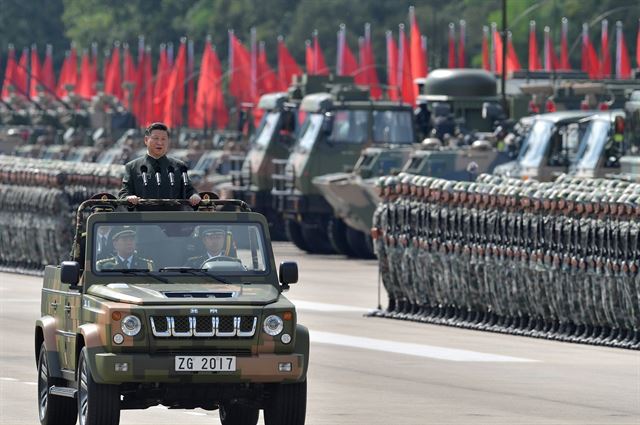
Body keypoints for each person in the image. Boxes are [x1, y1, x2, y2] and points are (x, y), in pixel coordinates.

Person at [118, 122, 201, 205]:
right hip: (144, 215)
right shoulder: (133, 167)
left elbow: (189, 190)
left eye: (163, 139)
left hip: (173, 216)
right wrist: (129, 198)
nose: (160, 143)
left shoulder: (179, 166)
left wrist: (194, 196)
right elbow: (124, 193)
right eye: (156, 138)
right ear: (146, 140)